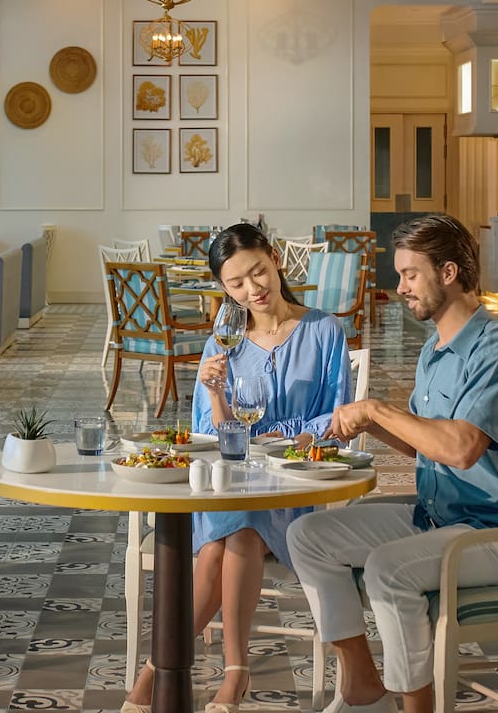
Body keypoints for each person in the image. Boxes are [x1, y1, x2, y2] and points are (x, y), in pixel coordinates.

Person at [286, 213, 498, 713]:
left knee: (388, 568)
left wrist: (376, 409)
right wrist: (365, 423)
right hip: (442, 517)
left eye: (411, 274)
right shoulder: (435, 348)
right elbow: (425, 444)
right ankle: (364, 688)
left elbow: (461, 448)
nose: (401, 286)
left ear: (449, 273)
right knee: (309, 536)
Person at [121, 223, 354, 713]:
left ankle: (160, 674)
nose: (253, 289)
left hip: (291, 486)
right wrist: (212, 391)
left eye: (258, 272)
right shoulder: (222, 343)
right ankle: (233, 674)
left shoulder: (324, 330)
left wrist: (294, 437)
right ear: (224, 289)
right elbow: (216, 440)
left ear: (274, 259)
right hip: (233, 482)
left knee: (238, 534)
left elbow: (336, 418)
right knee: (225, 537)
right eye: (237, 284)